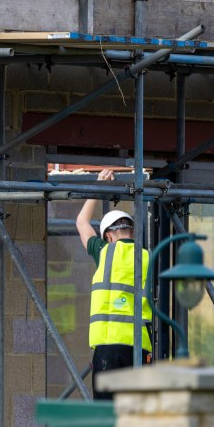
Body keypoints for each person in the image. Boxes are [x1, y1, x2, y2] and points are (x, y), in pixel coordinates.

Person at [75, 168, 152, 400]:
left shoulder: (104, 251)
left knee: (107, 419)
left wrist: (99, 185)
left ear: (108, 235)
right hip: (140, 350)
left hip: (108, 348)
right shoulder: (149, 256)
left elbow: (81, 222)